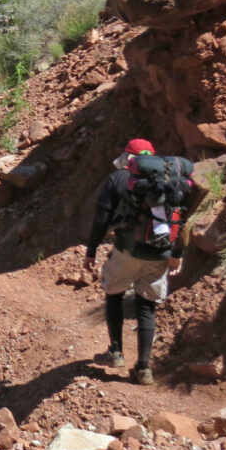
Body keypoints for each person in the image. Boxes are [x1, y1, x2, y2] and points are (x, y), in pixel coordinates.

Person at [83, 138, 184, 385]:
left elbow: (102, 218)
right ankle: (143, 368)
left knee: (114, 294)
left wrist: (92, 250)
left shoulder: (118, 178)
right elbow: (182, 220)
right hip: (160, 254)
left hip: (127, 251)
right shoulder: (169, 179)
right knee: (147, 307)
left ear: (129, 156)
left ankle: (115, 352)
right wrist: (177, 254)